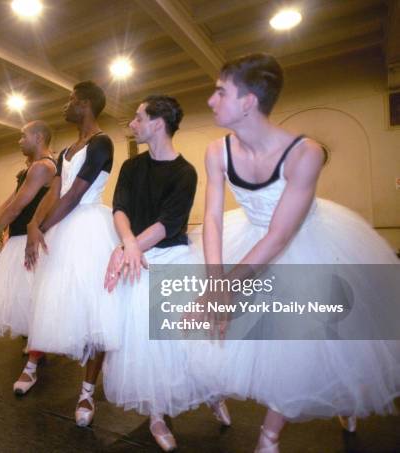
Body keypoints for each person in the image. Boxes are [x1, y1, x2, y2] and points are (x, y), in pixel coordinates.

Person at [199, 53, 400, 452]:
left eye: (221, 91)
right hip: (248, 237)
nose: (210, 100)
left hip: (302, 244)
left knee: (304, 342)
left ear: (248, 102)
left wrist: (223, 291)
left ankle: (269, 437)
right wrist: (213, 280)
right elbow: (213, 219)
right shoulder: (215, 151)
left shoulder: (305, 153)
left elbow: (278, 236)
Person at [102, 95, 229, 451]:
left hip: (172, 258)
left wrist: (131, 247)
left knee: (187, 344)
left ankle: (212, 393)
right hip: (138, 260)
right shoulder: (131, 167)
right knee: (147, 346)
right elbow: (120, 208)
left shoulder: (185, 172)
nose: (132, 124)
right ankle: (157, 414)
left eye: (138, 118)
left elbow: (168, 223)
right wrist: (128, 243)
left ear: (158, 123)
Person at [23, 81, 122, 426]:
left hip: (89, 227)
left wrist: (44, 228)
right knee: (53, 301)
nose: (65, 105)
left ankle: (86, 393)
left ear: (85, 104)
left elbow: (76, 194)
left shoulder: (102, 143)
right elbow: (55, 193)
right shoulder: (67, 148)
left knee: (96, 313)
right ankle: (32, 365)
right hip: (62, 226)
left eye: (70, 100)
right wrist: (34, 223)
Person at [0, 121, 56, 393]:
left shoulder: (44, 166)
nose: (19, 141)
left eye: (23, 136)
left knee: (36, 299)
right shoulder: (30, 168)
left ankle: (37, 352)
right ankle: (37, 344)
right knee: (26, 298)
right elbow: (9, 202)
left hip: (32, 240)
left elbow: (18, 207)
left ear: (38, 137)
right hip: (19, 239)